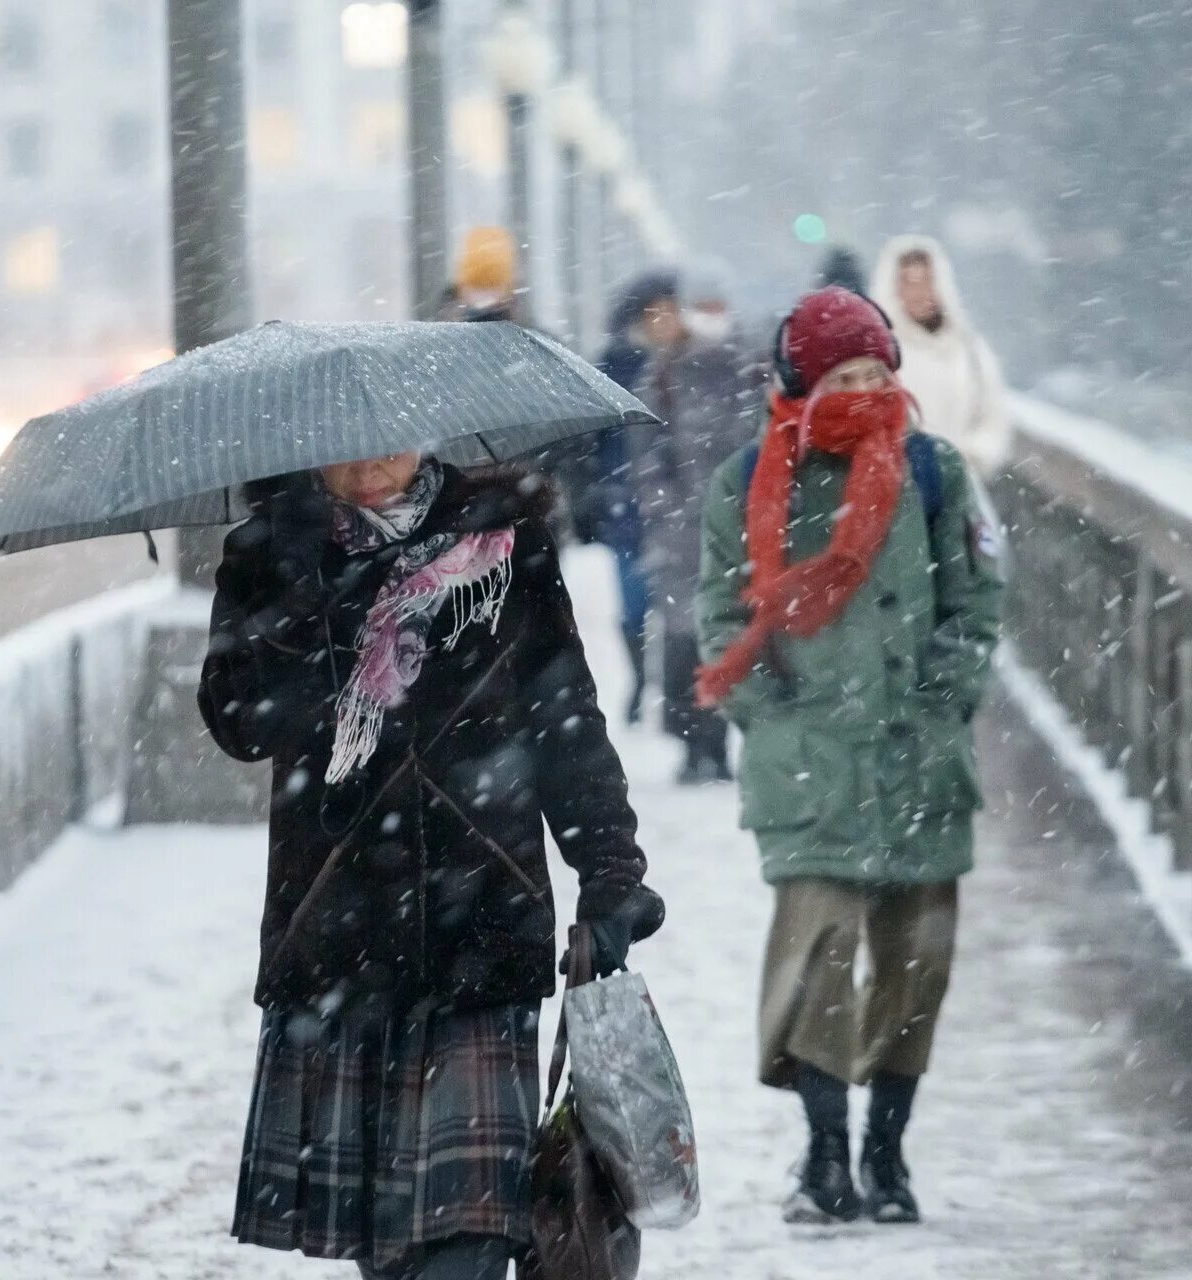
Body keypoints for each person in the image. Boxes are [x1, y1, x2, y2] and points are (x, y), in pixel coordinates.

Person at [199, 452, 664, 1280]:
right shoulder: (271, 552)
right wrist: (309, 591)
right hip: (343, 939)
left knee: (472, 1238)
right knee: (388, 1248)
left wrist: (611, 872)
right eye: (351, 445)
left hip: (485, 927)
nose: (378, 459)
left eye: (400, 438)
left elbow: (564, 718)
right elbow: (244, 727)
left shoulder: (502, 541)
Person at [694, 288, 1002, 1226]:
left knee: (916, 966)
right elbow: (720, 621)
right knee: (816, 962)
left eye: (877, 374)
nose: (866, 392)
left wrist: (940, 697)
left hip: (919, 758)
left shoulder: (937, 471)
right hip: (810, 765)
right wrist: (779, 718)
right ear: (800, 382)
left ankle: (887, 1152)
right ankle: (826, 1153)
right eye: (843, 377)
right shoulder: (747, 483)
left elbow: (979, 604)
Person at [635, 268, 767, 782]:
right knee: (684, 641)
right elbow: (647, 460)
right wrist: (674, 513)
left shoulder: (751, 369)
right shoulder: (662, 376)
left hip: (740, 532)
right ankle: (693, 744)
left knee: (732, 638)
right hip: (682, 538)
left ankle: (720, 741)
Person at [583, 270, 680, 724]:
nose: (664, 320)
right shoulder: (616, 363)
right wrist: (602, 488)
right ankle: (641, 678)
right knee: (633, 605)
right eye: (655, 311)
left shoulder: (686, 365)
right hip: (627, 505)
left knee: (679, 608)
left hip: (675, 505)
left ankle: (673, 685)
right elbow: (593, 438)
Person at [872, 234, 1012, 477]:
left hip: (959, 483)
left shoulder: (970, 350)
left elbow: (992, 416)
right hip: (899, 487)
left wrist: (971, 456)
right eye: (908, 282)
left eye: (926, 280)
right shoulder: (878, 351)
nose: (918, 292)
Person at [451, 226, 525, 324]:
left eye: (492, 284)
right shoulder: (439, 332)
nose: (484, 297)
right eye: (476, 285)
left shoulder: (525, 334)